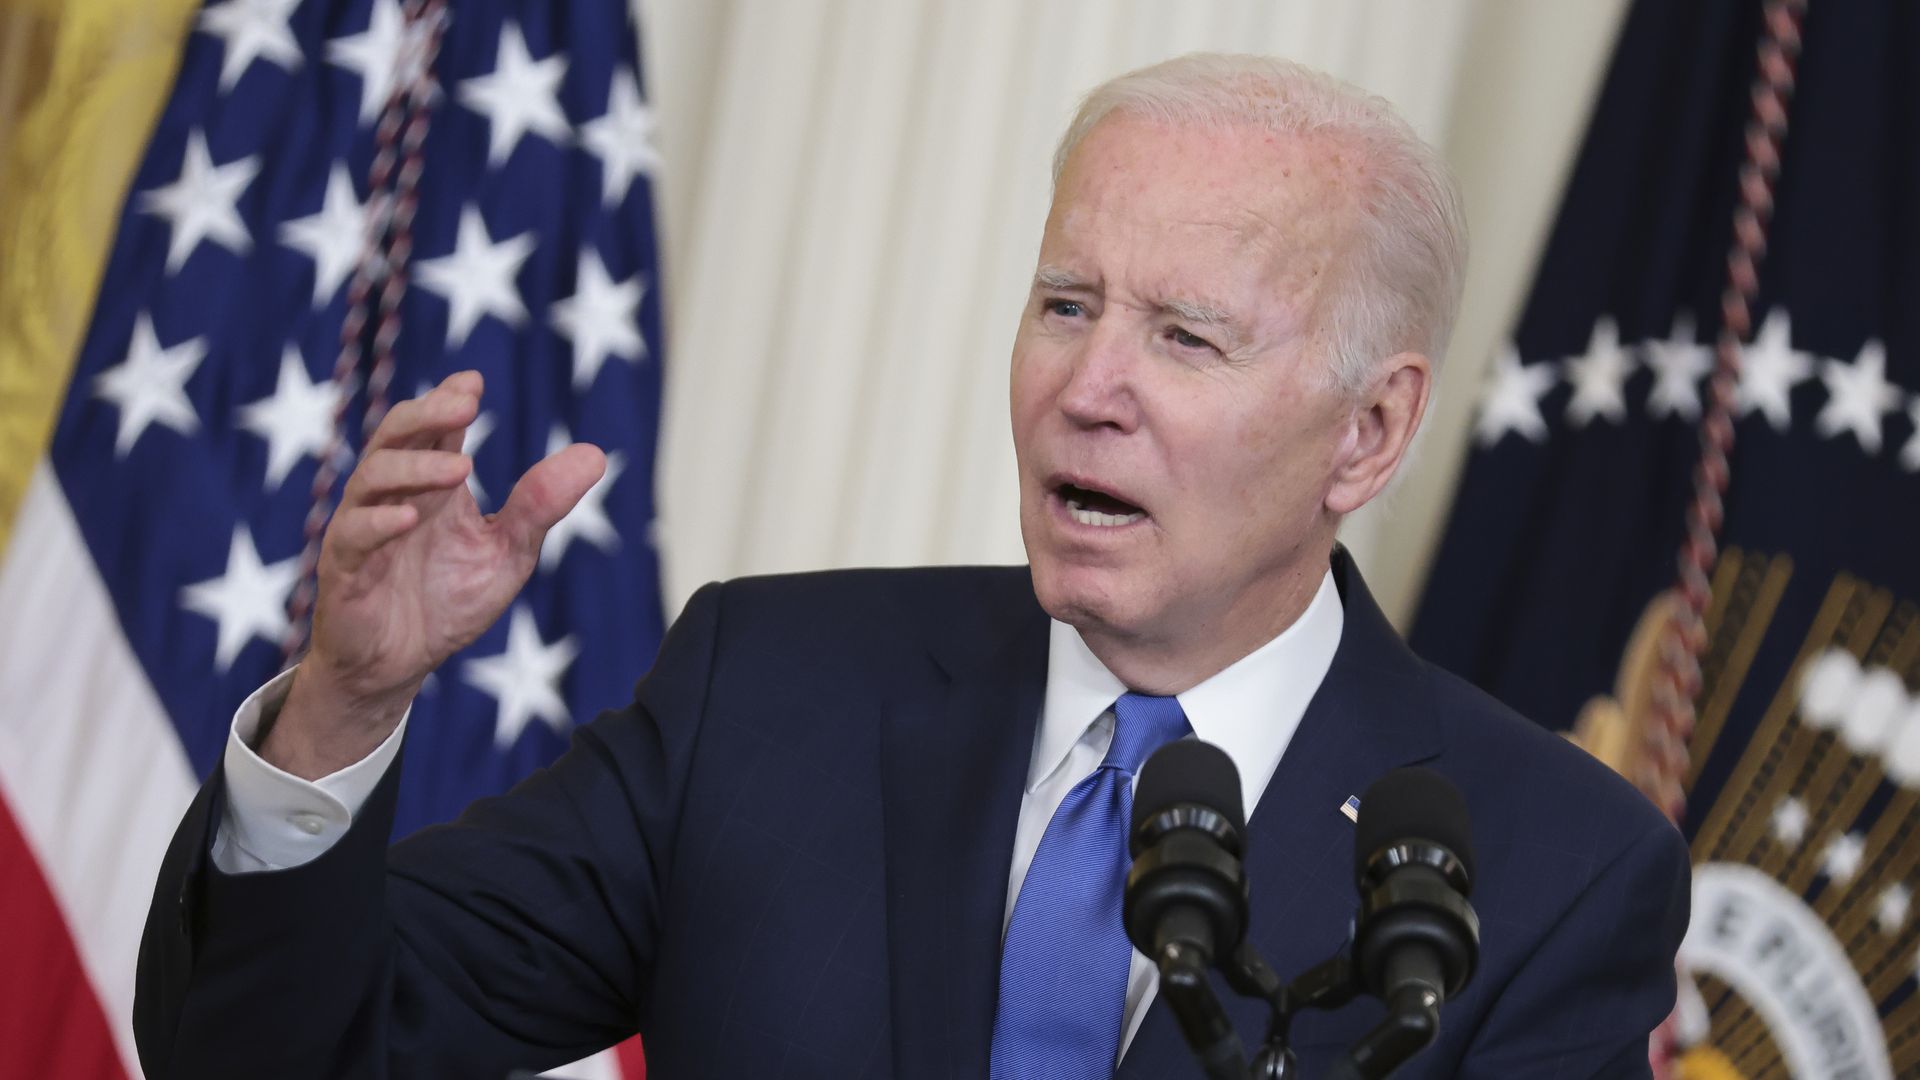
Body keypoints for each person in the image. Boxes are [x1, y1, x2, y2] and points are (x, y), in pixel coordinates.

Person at [135, 54, 1689, 1079]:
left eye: (1184, 337)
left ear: (1368, 431)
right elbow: (286, 1054)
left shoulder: (1551, 869)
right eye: (1067, 304)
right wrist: (343, 708)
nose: (1089, 386)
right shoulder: (767, 694)